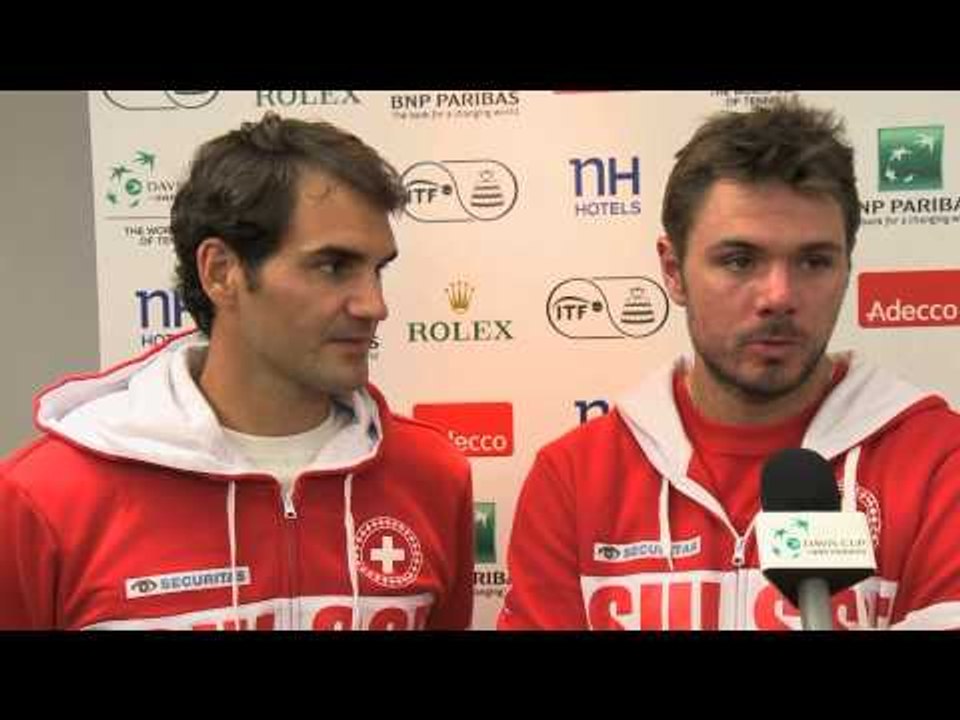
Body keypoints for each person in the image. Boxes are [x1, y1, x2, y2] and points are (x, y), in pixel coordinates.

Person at [498, 98, 960, 630]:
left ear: (846, 268)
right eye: (740, 260)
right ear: (673, 271)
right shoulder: (576, 478)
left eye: (814, 261)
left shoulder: (936, 464)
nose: (779, 296)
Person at [0, 112, 473, 630]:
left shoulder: (431, 476)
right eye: (333, 266)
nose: (373, 305)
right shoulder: (45, 497)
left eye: (377, 269)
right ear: (221, 272)